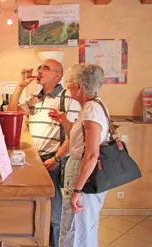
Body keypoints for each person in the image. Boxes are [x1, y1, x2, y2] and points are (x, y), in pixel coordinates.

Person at [8, 59, 80, 247]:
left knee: (55, 216)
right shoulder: (35, 97)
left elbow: (72, 134)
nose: (39, 70)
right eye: (39, 67)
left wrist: (57, 158)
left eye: (45, 68)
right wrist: (20, 86)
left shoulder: (67, 98)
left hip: (52, 162)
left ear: (58, 76)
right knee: (36, 210)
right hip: (34, 161)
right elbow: (11, 112)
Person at [48, 64, 108, 247]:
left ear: (80, 87)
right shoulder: (92, 106)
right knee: (77, 227)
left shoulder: (91, 109)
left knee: (76, 230)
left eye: (70, 83)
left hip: (84, 177)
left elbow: (91, 154)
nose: (67, 87)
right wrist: (63, 121)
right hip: (81, 174)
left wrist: (78, 190)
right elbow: (76, 140)